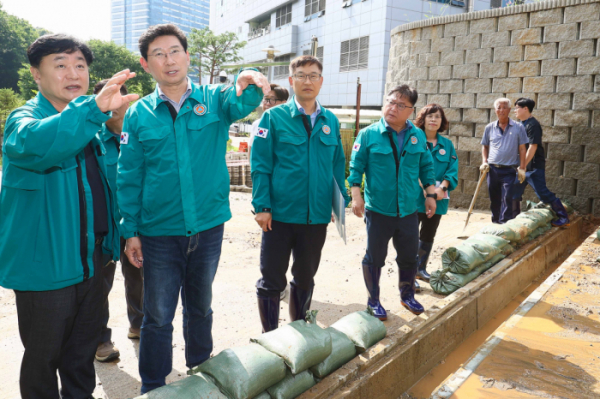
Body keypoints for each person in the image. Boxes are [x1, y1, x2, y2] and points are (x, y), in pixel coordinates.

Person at [117, 24, 269, 393]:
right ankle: (153, 384)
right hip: (158, 232)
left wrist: (246, 78)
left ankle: (202, 372)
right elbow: (129, 174)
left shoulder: (214, 100)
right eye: (158, 54)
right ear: (146, 63)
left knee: (201, 306)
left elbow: (243, 102)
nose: (168, 60)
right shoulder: (138, 115)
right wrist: (130, 230)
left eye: (174, 51)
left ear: (187, 56)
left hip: (207, 227)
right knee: (157, 315)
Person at [0, 34, 137, 399]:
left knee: (80, 356)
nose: (73, 73)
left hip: (94, 262)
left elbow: (114, 184)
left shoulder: (93, 127)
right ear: (36, 75)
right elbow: (38, 145)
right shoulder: (24, 120)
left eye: (80, 66)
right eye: (60, 65)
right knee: (43, 359)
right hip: (47, 266)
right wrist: (93, 111)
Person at [251, 55, 350, 332]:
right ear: (291, 81)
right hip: (279, 215)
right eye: (302, 75)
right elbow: (260, 165)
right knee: (272, 279)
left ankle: (298, 330)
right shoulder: (273, 117)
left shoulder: (330, 119)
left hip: (316, 216)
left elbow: (337, 165)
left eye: (313, 75)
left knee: (305, 277)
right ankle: (269, 336)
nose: (308, 81)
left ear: (321, 81)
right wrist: (262, 205)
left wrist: (338, 204)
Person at [348, 85, 436, 318]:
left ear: (410, 110)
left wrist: (430, 195)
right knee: (375, 256)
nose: (393, 108)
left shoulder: (417, 135)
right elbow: (356, 168)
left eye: (400, 105)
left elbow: (426, 167)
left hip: (408, 209)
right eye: (390, 102)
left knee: (409, 256)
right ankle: (373, 300)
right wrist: (356, 197)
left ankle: (407, 295)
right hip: (378, 209)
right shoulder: (368, 134)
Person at [92, 80, 145, 363]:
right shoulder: (91, 138)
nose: (112, 104)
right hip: (104, 225)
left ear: (127, 101)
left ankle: (139, 324)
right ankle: (101, 338)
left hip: (136, 221)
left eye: (117, 97)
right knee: (100, 284)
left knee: (138, 276)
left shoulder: (140, 134)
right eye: (105, 98)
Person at [412, 104, 458, 292]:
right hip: (415, 196)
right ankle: (408, 274)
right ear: (422, 119)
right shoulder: (413, 140)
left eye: (437, 117)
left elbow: (452, 170)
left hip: (439, 197)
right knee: (410, 236)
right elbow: (411, 166)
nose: (433, 119)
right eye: (430, 116)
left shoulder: (447, 145)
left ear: (442, 121)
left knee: (428, 234)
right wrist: (425, 187)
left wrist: (442, 188)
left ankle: (420, 269)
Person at [512, 98, 570, 226]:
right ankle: (512, 220)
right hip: (522, 167)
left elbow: (533, 147)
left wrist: (523, 166)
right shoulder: (520, 124)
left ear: (525, 108)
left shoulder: (533, 125)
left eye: (517, 108)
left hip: (533, 167)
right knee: (513, 192)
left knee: (543, 194)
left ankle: (563, 217)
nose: (515, 110)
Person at [480, 98, 528, 224]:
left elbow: (522, 149)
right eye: (499, 108)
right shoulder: (489, 128)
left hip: (510, 170)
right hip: (493, 169)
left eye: (504, 107)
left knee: (507, 197)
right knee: (494, 198)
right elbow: (485, 146)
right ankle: (495, 222)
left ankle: (504, 223)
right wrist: (484, 161)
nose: (502, 110)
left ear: (510, 110)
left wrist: (522, 167)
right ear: (495, 110)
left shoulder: (518, 127)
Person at [249, 84, 289, 159]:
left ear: (284, 103)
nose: (267, 103)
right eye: (266, 99)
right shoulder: (257, 124)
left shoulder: (290, 125)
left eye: (273, 100)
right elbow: (251, 149)